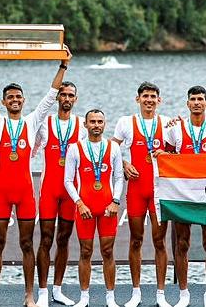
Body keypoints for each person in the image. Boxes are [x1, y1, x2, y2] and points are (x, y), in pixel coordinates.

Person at [0, 46, 71, 307]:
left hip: (25, 194)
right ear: (4, 102)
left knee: (26, 244)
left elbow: (50, 95)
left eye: (18, 97)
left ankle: (30, 295)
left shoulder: (33, 121)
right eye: (10, 97)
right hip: (2, 193)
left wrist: (63, 65)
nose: (14, 100)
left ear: (23, 101)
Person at [161, 85, 206, 307]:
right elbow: (166, 160)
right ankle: (183, 294)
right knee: (182, 244)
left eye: (201, 99)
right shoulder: (175, 130)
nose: (197, 102)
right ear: (187, 103)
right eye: (193, 99)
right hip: (184, 195)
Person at [111, 82, 173, 307]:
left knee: (159, 242)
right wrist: (125, 162)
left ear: (159, 100)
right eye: (145, 96)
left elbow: (179, 151)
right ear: (137, 99)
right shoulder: (125, 122)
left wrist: (166, 152)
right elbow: (111, 149)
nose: (149, 100)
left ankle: (160, 294)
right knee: (136, 240)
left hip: (159, 190)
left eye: (153, 96)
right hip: (136, 189)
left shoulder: (168, 123)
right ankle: (136, 291)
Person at [33, 81, 86, 307]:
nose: (66, 98)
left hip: (71, 191)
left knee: (63, 239)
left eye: (70, 95)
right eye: (63, 94)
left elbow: (91, 154)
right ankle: (43, 291)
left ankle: (58, 289)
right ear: (57, 98)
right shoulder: (45, 123)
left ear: (75, 99)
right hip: (49, 190)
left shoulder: (82, 125)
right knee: (45, 239)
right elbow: (31, 150)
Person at [63, 109, 123, 307]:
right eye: (93, 121)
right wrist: (79, 203)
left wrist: (115, 201)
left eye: (100, 121)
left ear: (105, 124)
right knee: (85, 252)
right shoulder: (75, 148)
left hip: (107, 207)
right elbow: (68, 181)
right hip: (85, 207)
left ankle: (111, 298)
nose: (97, 125)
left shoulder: (113, 147)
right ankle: (84, 298)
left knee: (108, 252)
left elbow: (118, 177)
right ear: (85, 125)